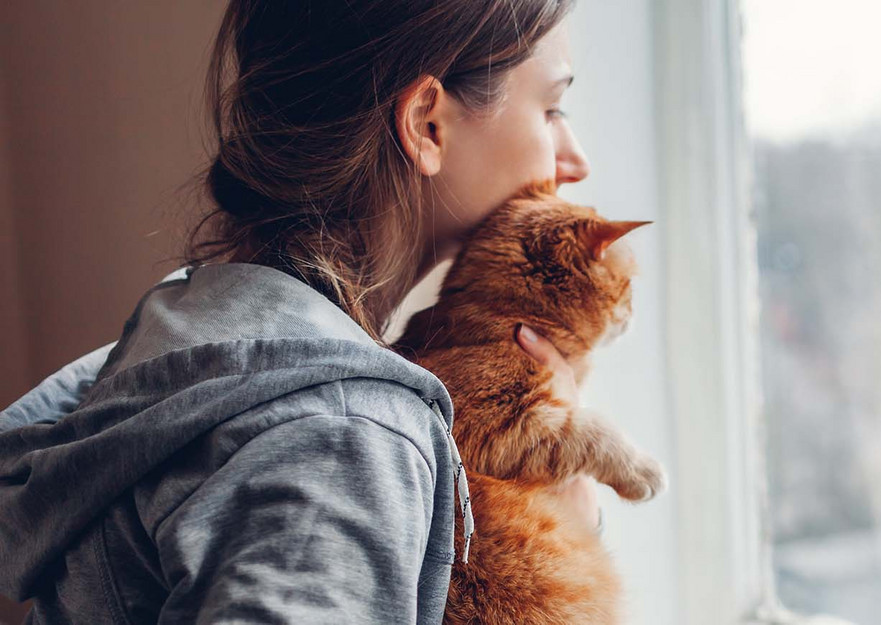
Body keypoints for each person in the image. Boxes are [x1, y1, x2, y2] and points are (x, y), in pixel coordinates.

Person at [0, 0, 600, 622]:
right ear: (427, 123)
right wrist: (572, 532)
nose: (574, 160)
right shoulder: (338, 437)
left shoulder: (189, 334)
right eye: (552, 108)